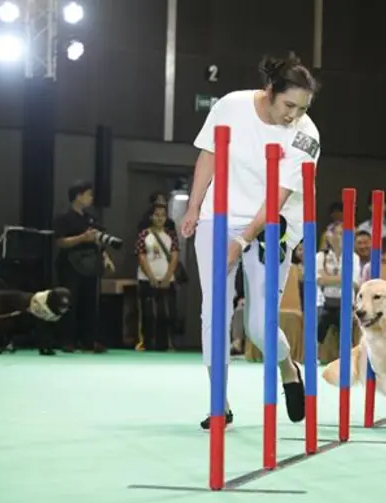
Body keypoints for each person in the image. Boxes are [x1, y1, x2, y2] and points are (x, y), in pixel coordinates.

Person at [180, 52, 320, 429]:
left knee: (259, 324)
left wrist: (241, 241)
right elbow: (209, 154)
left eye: (302, 107)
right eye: (289, 104)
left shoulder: (307, 135)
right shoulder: (231, 105)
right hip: (218, 214)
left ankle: (288, 369)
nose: (293, 114)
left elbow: (278, 199)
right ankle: (218, 404)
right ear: (270, 91)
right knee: (215, 312)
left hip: (274, 224)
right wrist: (194, 207)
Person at [52, 181, 115, 354]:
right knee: (70, 302)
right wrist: (81, 238)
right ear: (78, 196)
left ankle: (89, 340)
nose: (91, 198)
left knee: (89, 302)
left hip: (90, 264)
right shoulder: (63, 218)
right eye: (88, 194)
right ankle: (67, 340)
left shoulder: (90, 218)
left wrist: (105, 256)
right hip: (70, 264)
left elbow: (97, 240)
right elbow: (60, 241)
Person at [135, 203, 179, 352]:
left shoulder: (170, 235)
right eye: (157, 215)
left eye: (163, 215)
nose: (160, 218)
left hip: (168, 280)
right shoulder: (144, 234)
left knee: (167, 314)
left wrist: (167, 277)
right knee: (148, 314)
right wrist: (151, 277)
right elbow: (141, 257)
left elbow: (174, 256)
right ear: (151, 217)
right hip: (147, 280)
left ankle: (166, 344)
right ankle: (148, 343)